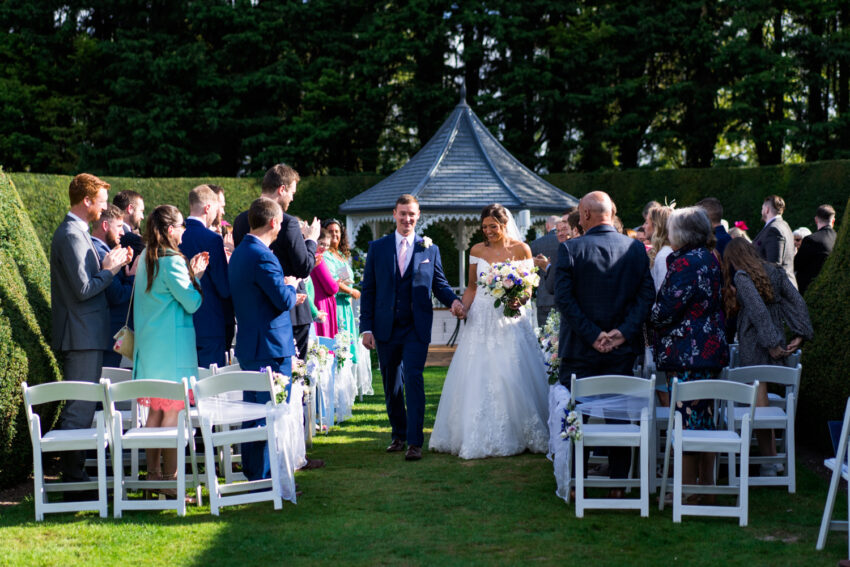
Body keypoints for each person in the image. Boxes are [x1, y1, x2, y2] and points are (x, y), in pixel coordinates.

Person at [429, 204, 549, 459]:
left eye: (492, 226)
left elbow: (528, 287)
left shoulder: (521, 249)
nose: (488, 231)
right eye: (484, 227)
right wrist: (462, 306)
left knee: (510, 371)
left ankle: (519, 430)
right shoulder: (476, 250)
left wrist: (520, 299)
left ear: (504, 225)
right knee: (477, 372)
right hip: (481, 317)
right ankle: (474, 433)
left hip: (509, 318)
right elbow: (472, 287)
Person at [554, 191, 655, 494]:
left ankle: (577, 482)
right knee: (619, 413)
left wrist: (592, 334)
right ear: (611, 212)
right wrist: (622, 333)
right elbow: (646, 296)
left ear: (583, 215)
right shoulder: (636, 250)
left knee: (578, 412)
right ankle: (619, 483)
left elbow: (564, 300)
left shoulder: (570, 249)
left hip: (580, 350)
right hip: (622, 350)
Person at [360, 194, 464, 461]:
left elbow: (439, 284)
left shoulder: (430, 248)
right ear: (394, 214)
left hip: (416, 327)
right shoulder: (378, 248)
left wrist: (453, 301)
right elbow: (369, 290)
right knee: (391, 382)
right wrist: (366, 328)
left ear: (418, 216)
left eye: (412, 214)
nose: (407, 219)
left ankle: (415, 442)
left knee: (414, 380)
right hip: (385, 327)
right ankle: (398, 434)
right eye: (403, 213)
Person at [51, 173, 133, 486]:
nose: (104, 207)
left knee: (83, 406)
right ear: (87, 201)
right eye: (100, 201)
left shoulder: (78, 231)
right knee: (80, 407)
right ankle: (73, 479)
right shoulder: (72, 234)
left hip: (86, 333)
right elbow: (84, 289)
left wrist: (109, 268)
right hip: (80, 335)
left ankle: (77, 474)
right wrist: (111, 270)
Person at [650, 207, 728, 500]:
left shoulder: (684, 263)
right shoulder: (709, 257)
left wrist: (652, 314)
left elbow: (665, 311)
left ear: (681, 233)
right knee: (703, 422)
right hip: (709, 349)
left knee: (684, 424)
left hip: (687, 353)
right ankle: (706, 488)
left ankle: (687, 492)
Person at [722, 237, 813, 475]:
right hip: (775, 337)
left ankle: (771, 462)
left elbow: (757, 311)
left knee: (758, 406)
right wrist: (800, 332)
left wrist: (771, 343)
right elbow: (797, 301)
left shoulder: (742, 276)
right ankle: (771, 459)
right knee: (760, 403)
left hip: (756, 343)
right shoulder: (775, 270)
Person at [133, 204, 207, 494]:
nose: (184, 232)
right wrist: (196, 276)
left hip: (151, 350)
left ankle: (153, 477)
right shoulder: (172, 261)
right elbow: (191, 302)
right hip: (172, 353)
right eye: (181, 227)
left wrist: (188, 273)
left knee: (154, 413)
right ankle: (171, 483)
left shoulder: (146, 257)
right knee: (172, 416)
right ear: (169, 230)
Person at [229, 198, 300, 480]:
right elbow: (282, 300)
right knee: (271, 414)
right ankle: (267, 479)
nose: (281, 227)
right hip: (269, 347)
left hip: (250, 343)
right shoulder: (263, 255)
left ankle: (256, 474)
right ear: (273, 222)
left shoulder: (240, 252)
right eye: (281, 222)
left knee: (254, 413)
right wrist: (292, 287)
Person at [233, 164, 320, 360]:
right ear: (282, 189)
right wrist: (311, 240)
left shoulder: (240, 221)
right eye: (292, 192)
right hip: (291, 311)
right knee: (295, 381)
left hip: (255, 314)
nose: (292, 198)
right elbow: (304, 267)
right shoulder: (288, 222)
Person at [179, 184, 234, 368]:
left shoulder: (176, 236)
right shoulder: (212, 239)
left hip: (180, 323)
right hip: (209, 324)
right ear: (207, 208)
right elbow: (224, 288)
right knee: (208, 389)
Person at [90, 203, 135, 368]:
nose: (123, 232)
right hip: (109, 337)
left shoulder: (100, 250)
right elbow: (117, 295)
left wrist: (122, 265)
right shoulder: (102, 253)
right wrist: (133, 276)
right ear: (104, 225)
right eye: (119, 227)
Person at [322, 219, 360, 362]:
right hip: (335, 306)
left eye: (337, 231)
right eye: (330, 231)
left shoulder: (341, 256)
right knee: (339, 345)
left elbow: (345, 279)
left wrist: (348, 289)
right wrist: (351, 292)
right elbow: (333, 281)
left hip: (346, 306)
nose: (334, 234)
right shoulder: (325, 255)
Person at [752, 195, 797, 288]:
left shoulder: (773, 229)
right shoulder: (784, 225)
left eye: (762, 208)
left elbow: (774, 266)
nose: (761, 211)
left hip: (780, 292)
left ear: (767, 209)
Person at [794, 204, 837, 295]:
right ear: (833, 221)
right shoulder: (838, 239)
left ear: (816, 220)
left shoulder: (811, 240)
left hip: (808, 293)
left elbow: (796, 265)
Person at [530, 215, 561, 324]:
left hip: (544, 297)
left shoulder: (535, 244)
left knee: (544, 336)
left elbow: (529, 271)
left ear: (547, 226)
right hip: (564, 297)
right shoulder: (569, 241)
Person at [311, 230, 339, 338]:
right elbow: (331, 287)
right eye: (321, 243)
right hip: (321, 303)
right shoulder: (318, 258)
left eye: (327, 245)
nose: (324, 248)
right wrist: (336, 284)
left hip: (315, 300)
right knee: (323, 340)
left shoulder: (309, 256)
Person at [643, 205, 674, 292]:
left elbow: (662, 293)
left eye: (646, 222)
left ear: (657, 227)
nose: (643, 226)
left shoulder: (664, 256)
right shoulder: (664, 252)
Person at [113, 189, 145, 257]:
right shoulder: (135, 241)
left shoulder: (105, 233)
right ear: (130, 209)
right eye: (141, 211)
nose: (142, 217)